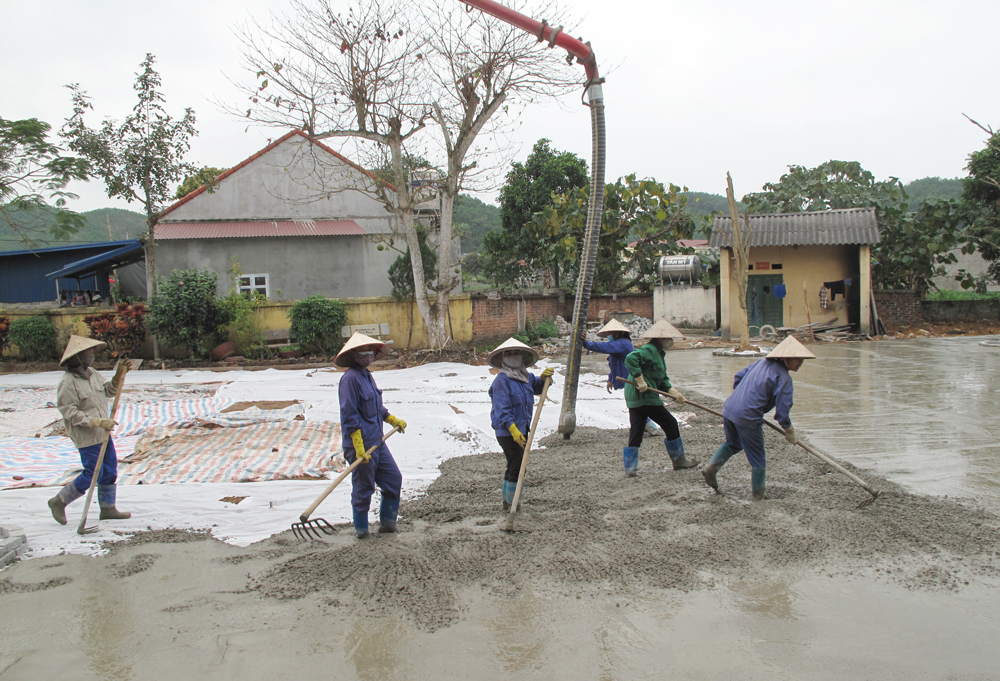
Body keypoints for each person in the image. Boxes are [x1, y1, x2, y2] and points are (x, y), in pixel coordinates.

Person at [701, 335, 816, 501]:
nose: (800, 363)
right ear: (786, 358)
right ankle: (758, 495)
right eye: (798, 359)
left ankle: (711, 468)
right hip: (748, 416)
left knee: (733, 443)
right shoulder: (784, 379)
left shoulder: (761, 363)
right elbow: (782, 414)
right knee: (758, 458)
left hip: (729, 408)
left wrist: (744, 396)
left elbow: (738, 377)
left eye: (802, 360)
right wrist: (789, 430)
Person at [48, 335, 130, 525]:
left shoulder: (92, 373)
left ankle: (108, 508)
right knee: (94, 472)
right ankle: (59, 501)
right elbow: (69, 411)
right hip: (87, 434)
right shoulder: (68, 382)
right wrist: (96, 421)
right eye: (88, 352)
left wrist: (118, 377)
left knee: (109, 469)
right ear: (77, 357)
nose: (92, 355)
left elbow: (109, 391)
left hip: (103, 432)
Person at [337, 332, 408, 538]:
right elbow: (349, 414)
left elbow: (377, 408)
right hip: (361, 445)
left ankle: (387, 524)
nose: (367, 354)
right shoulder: (349, 380)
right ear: (353, 355)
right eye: (362, 351)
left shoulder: (367, 376)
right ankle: (361, 530)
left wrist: (392, 419)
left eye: (369, 351)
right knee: (364, 488)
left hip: (377, 441)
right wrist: (358, 444)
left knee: (393, 479)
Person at [623, 319, 696, 476]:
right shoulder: (649, 350)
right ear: (661, 339)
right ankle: (679, 460)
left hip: (637, 397)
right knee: (670, 423)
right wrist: (639, 378)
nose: (671, 342)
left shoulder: (659, 354)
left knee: (637, 430)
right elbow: (630, 359)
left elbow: (662, 379)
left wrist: (673, 392)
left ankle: (630, 468)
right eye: (669, 339)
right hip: (643, 396)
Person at [487, 338, 554, 510]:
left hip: (522, 428)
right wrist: (513, 429)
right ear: (502, 358)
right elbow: (502, 408)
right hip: (508, 432)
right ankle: (513, 504)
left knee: (513, 464)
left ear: (522, 356)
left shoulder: (525, 376)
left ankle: (508, 502)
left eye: (515, 353)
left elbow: (538, 387)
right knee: (516, 464)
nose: (512, 356)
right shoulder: (502, 380)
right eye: (508, 354)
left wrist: (544, 378)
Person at [583, 319, 661, 435]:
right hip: (626, 379)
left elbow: (605, 347)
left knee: (636, 405)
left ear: (618, 333)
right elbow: (613, 364)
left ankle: (651, 428)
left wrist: (586, 343)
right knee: (634, 404)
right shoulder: (619, 345)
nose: (609, 337)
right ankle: (643, 427)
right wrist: (610, 379)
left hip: (632, 379)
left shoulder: (623, 343)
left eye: (611, 334)